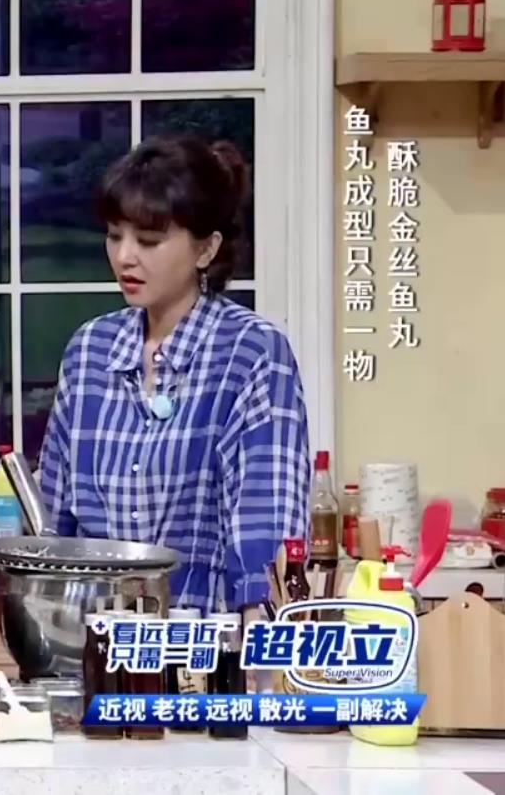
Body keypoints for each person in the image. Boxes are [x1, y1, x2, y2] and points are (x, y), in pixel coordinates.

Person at [37, 135, 311, 625]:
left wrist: (259, 656)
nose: (124, 257)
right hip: (96, 646)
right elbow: (55, 529)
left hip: (207, 649)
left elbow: (265, 534)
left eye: (148, 241)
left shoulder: (250, 353)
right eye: (114, 235)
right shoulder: (90, 351)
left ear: (206, 249)